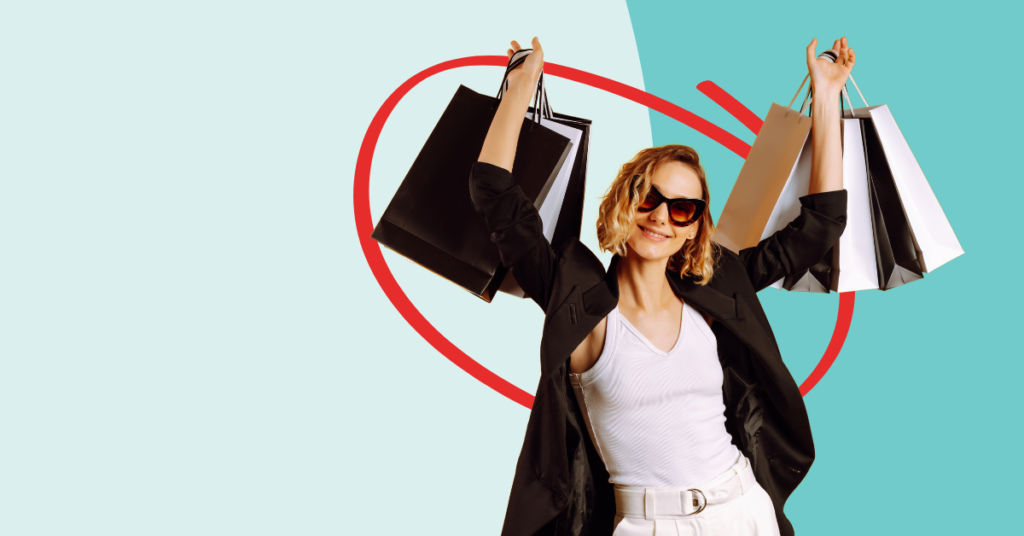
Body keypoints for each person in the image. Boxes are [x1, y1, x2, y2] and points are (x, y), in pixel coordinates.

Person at [469, 36, 854, 536]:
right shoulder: (578, 300)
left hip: (743, 511)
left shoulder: (715, 289)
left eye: (683, 208)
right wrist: (521, 86)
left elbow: (822, 224)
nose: (661, 218)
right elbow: (495, 191)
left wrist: (825, 96)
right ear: (624, 202)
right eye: (649, 198)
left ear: (696, 227)